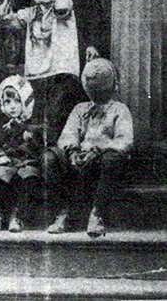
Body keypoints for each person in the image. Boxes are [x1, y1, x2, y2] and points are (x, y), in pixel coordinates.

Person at [44, 58, 133, 237]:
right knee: (50, 157)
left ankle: (97, 214)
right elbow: (68, 134)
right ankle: (63, 212)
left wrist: (98, 149)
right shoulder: (80, 109)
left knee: (112, 159)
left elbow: (124, 141)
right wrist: (73, 152)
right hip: (80, 159)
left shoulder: (119, 110)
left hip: (103, 160)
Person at [0, 0, 82, 147]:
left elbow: (63, 7)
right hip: (37, 74)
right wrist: (8, 1)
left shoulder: (64, 5)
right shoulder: (31, 12)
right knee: (35, 117)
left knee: (55, 115)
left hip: (61, 72)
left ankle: (54, 154)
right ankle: (36, 157)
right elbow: (4, 22)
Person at [0, 75, 42, 232]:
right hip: (6, 161)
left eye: (17, 101)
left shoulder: (31, 125)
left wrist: (27, 136)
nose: (12, 106)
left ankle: (17, 216)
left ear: (26, 102)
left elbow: (38, 147)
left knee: (28, 178)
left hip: (25, 162)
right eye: (7, 102)